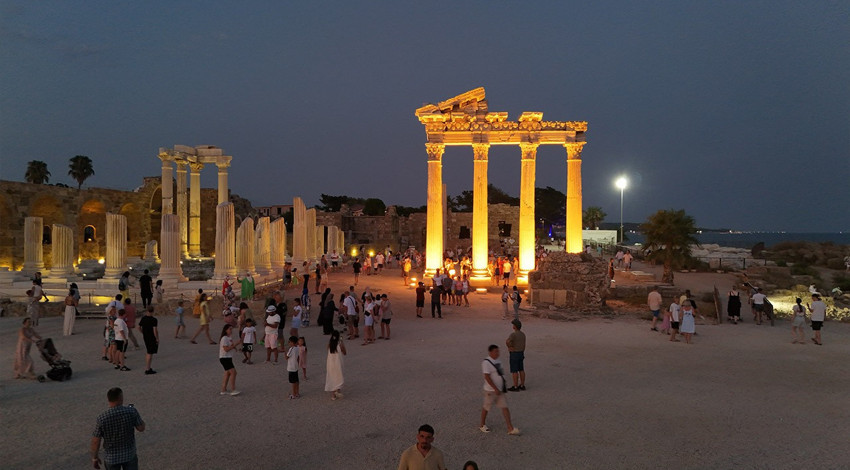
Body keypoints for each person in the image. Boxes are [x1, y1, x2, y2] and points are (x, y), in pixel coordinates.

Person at [90, 387, 145, 469]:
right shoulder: (131, 411)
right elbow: (141, 428)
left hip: (111, 458)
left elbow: (96, 441)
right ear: (121, 398)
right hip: (129, 454)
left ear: (108, 399)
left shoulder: (102, 418)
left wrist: (95, 458)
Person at [480, 344, 520, 435]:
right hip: (490, 390)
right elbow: (487, 376)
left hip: (499, 390)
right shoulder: (486, 363)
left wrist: (502, 386)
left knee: (504, 407)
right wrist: (495, 388)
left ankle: (510, 427)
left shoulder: (498, 361)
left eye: (498, 351)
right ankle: (482, 424)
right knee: (486, 407)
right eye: (495, 351)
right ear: (490, 352)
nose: (497, 353)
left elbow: (500, 373)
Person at [219, 324, 242, 396]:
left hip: (228, 357)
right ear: (225, 330)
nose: (231, 331)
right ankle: (233, 389)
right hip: (224, 358)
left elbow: (231, 346)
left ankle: (223, 389)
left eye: (231, 329)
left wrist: (235, 347)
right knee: (233, 372)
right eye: (229, 329)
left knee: (227, 373)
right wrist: (236, 344)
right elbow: (226, 349)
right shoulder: (224, 338)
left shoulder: (229, 338)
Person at [505, 319, 526, 391]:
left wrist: (510, 347)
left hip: (514, 353)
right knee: (521, 369)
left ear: (515, 326)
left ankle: (515, 386)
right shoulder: (523, 334)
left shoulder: (513, 334)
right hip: (521, 353)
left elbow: (507, 341)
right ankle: (522, 385)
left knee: (514, 370)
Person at [325, 330, 346, 400]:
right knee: (338, 376)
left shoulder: (329, 344)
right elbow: (344, 352)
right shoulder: (339, 344)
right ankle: (338, 391)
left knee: (332, 377)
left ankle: (333, 395)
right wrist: (342, 341)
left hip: (330, 364)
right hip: (338, 363)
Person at [139, 306, 159, 375]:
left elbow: (138, 327)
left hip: (146, 336)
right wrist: (157, 338)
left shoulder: (143, 318)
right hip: (151, 337)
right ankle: (148, 368)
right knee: (150, 352)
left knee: (149, 351)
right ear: (153, 311)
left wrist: (142, 332)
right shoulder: (154, 320)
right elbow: (155, 330)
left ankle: (148, 367)